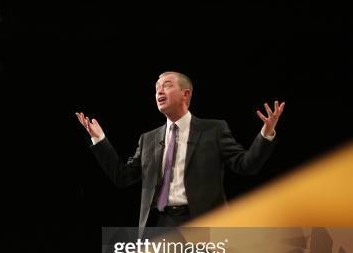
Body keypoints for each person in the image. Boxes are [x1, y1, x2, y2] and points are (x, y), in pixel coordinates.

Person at [76, 71, 285, 227]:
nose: (159, 91)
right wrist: (100, 139)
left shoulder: (213, 130)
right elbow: (122, 177)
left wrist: (266, 134)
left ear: (186, 94)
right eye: (156, 87)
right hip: (160, 225)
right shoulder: (148, 139)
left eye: (166, 85)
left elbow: (245, 165)